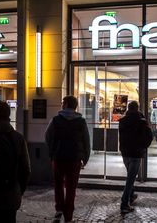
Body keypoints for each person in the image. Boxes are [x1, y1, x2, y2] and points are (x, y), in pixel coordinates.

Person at [45, 95, 90, 223]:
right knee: (71, 188)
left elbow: (47, 137)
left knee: (58, 184)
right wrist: (85, 158)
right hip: (75, 159)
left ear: (65, 104)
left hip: (58, 157)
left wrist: (52, 152)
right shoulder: (81, 121)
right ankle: (68, 217)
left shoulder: (56, 120)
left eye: (62, 102)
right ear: (75, 106)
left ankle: (59, 208)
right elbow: (87, 141)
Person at [118, 101, 153, 214]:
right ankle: (124, 203)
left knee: (130, 175)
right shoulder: (141, 121)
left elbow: (121, 136)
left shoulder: (122, 121)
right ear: (137, 108)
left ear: (128, 108)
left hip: (125, 152)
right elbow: (149, 136)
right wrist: (143, 147)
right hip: (136, 153)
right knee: (130, 178)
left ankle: (131, 195)